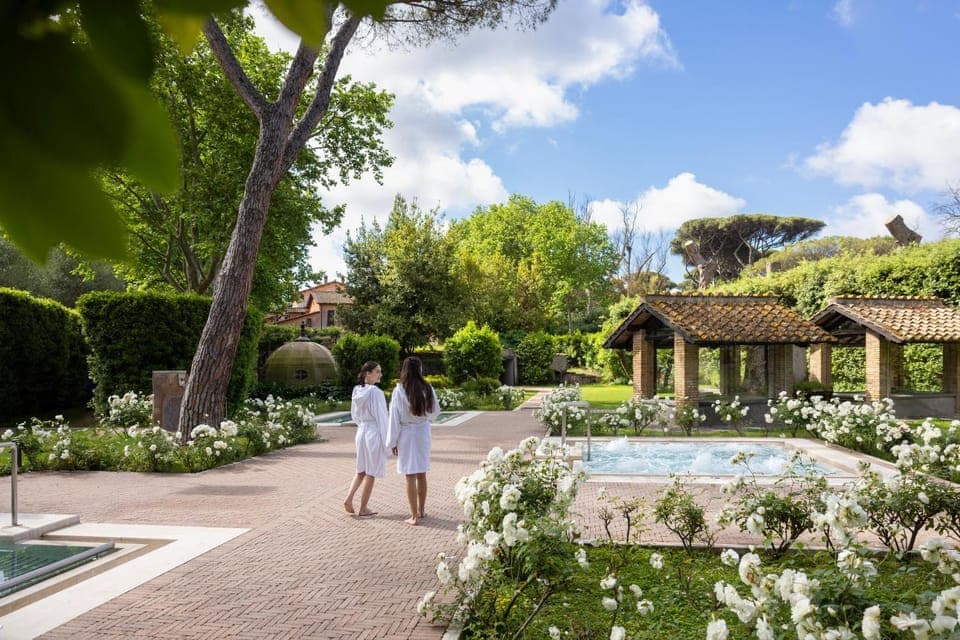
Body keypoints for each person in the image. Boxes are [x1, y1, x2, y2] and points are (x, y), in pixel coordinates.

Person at [387, 356, 440, 526]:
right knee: (422, 473)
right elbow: (435, 412)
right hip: (422, 432)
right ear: (420, 369)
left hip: (406, 433)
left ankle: (414, 515)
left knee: (409, 475)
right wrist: (423, 418)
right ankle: (422, 510)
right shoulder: (427, 388)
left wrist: (392, 441)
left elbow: (393, 418)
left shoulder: (400, 390)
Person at [343, 361, 389, 518]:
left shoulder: (357, 391)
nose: (380, 374)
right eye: (377, 371)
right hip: (373, 432)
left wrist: (363, 425)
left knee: (361, 469)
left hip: (361, 431)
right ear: (367, 374)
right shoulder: (376, 392)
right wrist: (387, 440)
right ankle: (363, 508)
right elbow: (382, 418)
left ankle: (349, 499)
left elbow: (354, 415)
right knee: (371, 471)